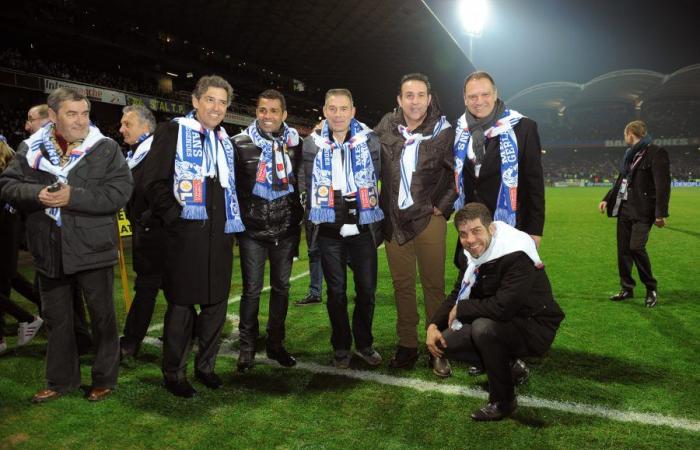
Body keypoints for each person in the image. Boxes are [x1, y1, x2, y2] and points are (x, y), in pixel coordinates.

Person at [0, 87, 133, 402]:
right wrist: (37, 195)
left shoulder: (104, 147)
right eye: (72, 114)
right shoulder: (30, 148)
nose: (80, 120)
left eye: (84, 113)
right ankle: (61, 381)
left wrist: (74, 196)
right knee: (58, 320)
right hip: (49, 248)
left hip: (93, 247)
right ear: (54, 115)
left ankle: (104, 378)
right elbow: (7, 185)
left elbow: (120, 192)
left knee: (102, 318)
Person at [142, 75, 243, 397]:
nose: (216, 107)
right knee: (182, 307)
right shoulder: (173, 131)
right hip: (184, 238)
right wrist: (175, 219)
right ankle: (174, 373)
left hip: (220, 238)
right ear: (196, 101)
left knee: (215, 306)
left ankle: (206, 367)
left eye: (222, 102)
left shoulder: (227, 141)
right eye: (210, 100)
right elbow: (154, 182)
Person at [426, 202, 564, 421]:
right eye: (463, 234)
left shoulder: (516, 253)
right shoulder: (470, 254)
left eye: (476, 231)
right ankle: (511, 365)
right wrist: (433, 325)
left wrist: (463, 309)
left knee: (484, 329)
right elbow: (458, 292)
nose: (469, 240)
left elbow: (503, 308)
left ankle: (503, 400)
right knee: (445, 342)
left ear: (491, 229)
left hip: (534, 325)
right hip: (500, 320)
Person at [450, 70, 546, 376]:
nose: (479, 101)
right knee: (475, 287)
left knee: (507, 293)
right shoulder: (459, 131)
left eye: (484, 94)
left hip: (509, 224)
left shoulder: (523, 127)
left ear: (496, 94)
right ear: (465, 98)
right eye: (472, 96)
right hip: (472, 229)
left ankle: (510, 353)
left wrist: (534, 230)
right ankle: (484, 351)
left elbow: (534, 182)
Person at [374, 73, 455, 370]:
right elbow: (363, 152)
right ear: (399, 99)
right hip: (394, 220)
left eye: (420, 95)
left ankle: (437, 348)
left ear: (429, 98)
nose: (415, 101)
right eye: (409, 95)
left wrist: (441, 207)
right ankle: (407, 344)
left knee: (434, 286)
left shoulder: (444, 130)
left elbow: (455, 174)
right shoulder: (385, 126)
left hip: (428, 218)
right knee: (402, 285)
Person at [300, 89, 384, 368]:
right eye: (332, 109)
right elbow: (305, 181)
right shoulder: (311, 143)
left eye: (343, 108)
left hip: (361, 227)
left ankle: (364, 343)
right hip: (328, 229)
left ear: (353, 111)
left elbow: (379, 175)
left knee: (367, 290)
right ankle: (340, 345)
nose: (338, 114)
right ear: (324, 111)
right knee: (336, 293)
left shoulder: (369, 140)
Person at [231, 89, 303, 371]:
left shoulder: (297, 144)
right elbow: (234, 189)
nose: (268, 116)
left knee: (282, 289)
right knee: (251, 290)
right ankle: (247, 348)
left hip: (285, 230)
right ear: (256, 112)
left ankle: (276, 345)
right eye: (263, 110)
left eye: (274, 111)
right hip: (253, 231)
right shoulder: (239, 143)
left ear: (284, 115)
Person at [599, 120, 670, 307]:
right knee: (623, 251)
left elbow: (663, 185)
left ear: (630, 133)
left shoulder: (656, 152)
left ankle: (651, 288)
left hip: (643, 210)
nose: (625, 139)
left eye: (625, 135)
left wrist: (660, 214)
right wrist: (607, 198)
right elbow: (621, 179)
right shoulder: (628, 155)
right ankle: (627, 288)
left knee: (636, 247)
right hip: (624, 208)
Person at [118, 104, 162, 360]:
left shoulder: (156, 153)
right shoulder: (136, 154)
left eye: (127, 124)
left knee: (148, 288)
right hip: (146, 235)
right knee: (165, 288)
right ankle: (191, 328)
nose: (122, 129)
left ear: (145, 127)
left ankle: (131, 341)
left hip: (158, 236)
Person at [0, 137, 43, 354]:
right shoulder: (11, 172)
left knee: (7, 280)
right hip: (10, 236)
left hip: (6, 236)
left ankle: (28, 318)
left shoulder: (6, 176)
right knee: (9, 280)